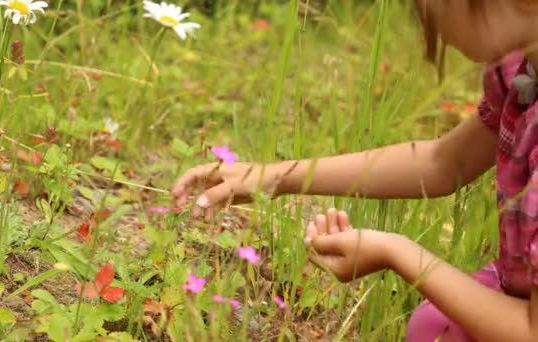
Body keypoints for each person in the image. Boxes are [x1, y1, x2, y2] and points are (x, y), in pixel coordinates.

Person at [171, 1, 538, 340]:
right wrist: (274, 177)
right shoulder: (521, 72)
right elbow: (444, 162)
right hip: (516, 292)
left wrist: (397, 252)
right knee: (436, 325)